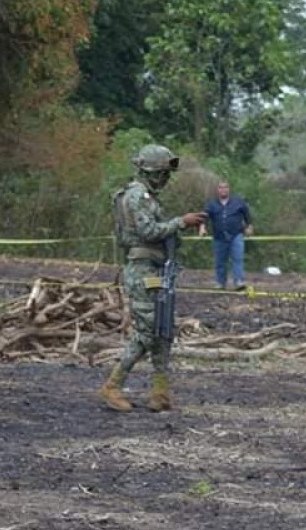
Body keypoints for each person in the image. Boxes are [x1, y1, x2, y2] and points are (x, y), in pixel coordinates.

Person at [99, 144, 206, 412]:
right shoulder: (137, 197)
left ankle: (160, 392)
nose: (166, 179)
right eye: (163, 173)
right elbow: (148, 231)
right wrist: (181, 222)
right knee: (146, 332)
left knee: (163, 329)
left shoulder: (146, 196)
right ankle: (113, 385)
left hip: (156, 270)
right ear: (151, 172)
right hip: (143, 270)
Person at [199, 181, 253, 290]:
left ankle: (239, 282)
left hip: (236, 235)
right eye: (221, 187)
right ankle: (220, 283)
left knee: (237, 259)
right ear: (217, 190)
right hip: (219, 237)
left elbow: (247, 214)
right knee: (220, 261)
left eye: (225, 187)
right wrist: (202, 227)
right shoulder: (212, 204)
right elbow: (204, 216)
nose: (223, 189)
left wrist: (249, 226)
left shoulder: (238, 202)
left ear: (229, 189)